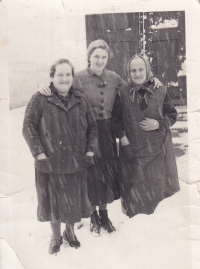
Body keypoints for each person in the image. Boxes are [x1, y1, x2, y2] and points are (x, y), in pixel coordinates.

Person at [38, 40, 162, 236]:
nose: (100, 61)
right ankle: (93, 213)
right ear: (89, 57)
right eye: (96, 56)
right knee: (91, 171)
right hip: (86, 131)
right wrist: (43, 84)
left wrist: (153, 80)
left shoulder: (113, 77)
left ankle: (104, 213)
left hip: (107, 130)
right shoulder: (77, 77)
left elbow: (134, 84)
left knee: (106, 171)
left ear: (107, 59)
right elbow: (60, 85)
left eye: (104, 57)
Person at [23, 59, 97, 254]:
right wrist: (39, 153)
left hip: (75, 160)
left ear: (73, 77)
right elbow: (28, 127)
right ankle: (56, 237)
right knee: (53, 201)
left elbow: (92, 127)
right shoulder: (39, 99)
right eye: (60, 75)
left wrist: (90, 150)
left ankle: (70, 233)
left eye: (68, 75)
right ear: (52, 77)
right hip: (50, 161)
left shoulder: (81, 99)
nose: (64, 79)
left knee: (72, 200)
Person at [112, 54, 180, 218]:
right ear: (128, 72)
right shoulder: (122, 92)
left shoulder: (160, 90)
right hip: (133, 150)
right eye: (133, 70)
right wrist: (123, 138)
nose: (137, 73)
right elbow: (115, 121)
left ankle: (155, 225)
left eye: (141, 69)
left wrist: (158, 124)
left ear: (147, 70)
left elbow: (172, 115)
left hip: (156, 149)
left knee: (156, 187)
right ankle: (136, 226)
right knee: (136, 189)